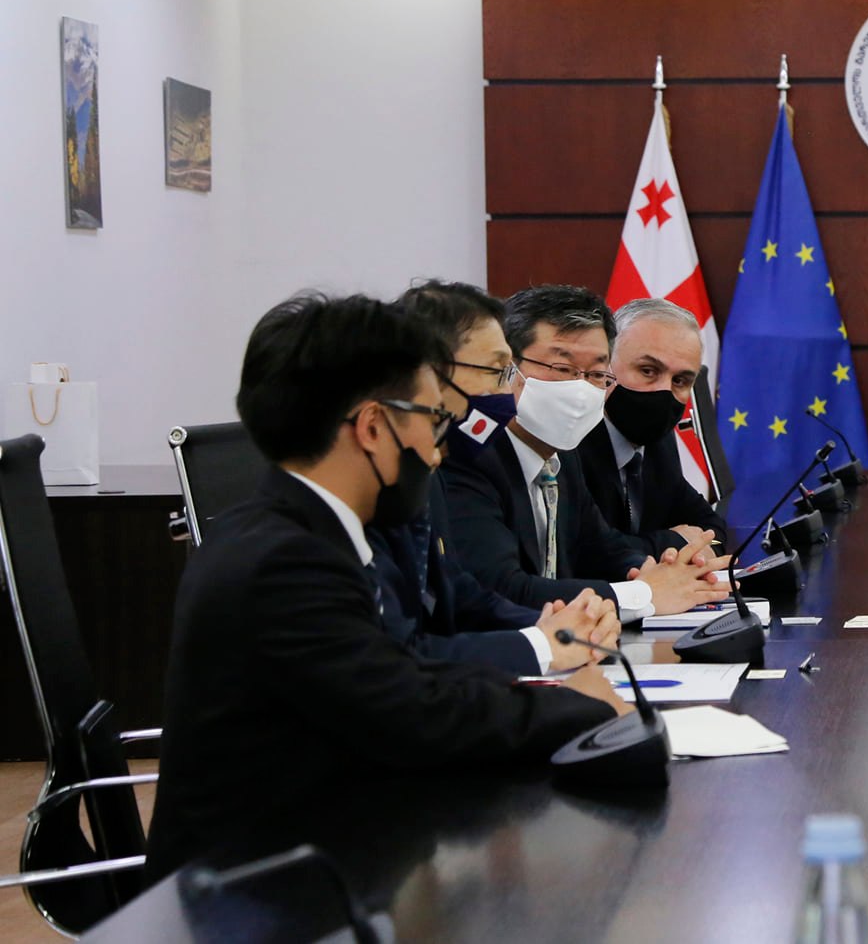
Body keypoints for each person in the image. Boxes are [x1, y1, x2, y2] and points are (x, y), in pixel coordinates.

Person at [146, 294, 626, 879]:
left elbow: (403, 670)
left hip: (330, 845)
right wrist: (577, 707)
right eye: (434, 420)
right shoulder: (285, 560)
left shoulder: (316, 529)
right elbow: (411, 712)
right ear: (373, 427)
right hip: (256, 888)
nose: (440, 450)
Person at [441, 284, 730, 615]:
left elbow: (600, 551)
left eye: (595, 373)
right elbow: (501, 589)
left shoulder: (561, 455)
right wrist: (643, 593)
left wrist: (669, 575)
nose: (580, 388)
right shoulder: (469, 453)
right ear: (508, 366)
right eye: (563, 368)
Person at [384, 279, 618, 675]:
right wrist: (542, 646)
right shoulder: (317, 527)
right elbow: (390, 659)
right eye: (497, 371)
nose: (508, 392)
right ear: (426, 374)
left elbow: (460, 593)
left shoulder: (425, 474)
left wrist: (558, 628)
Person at [575, 297, 728, 560]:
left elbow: (714, 532)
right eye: (648, 371)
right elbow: (589, 552)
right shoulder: (571, 440)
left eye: (680, 380)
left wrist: (696, 545)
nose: (663, 391)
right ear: (605, 367)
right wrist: (677, 542)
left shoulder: (659, 442)